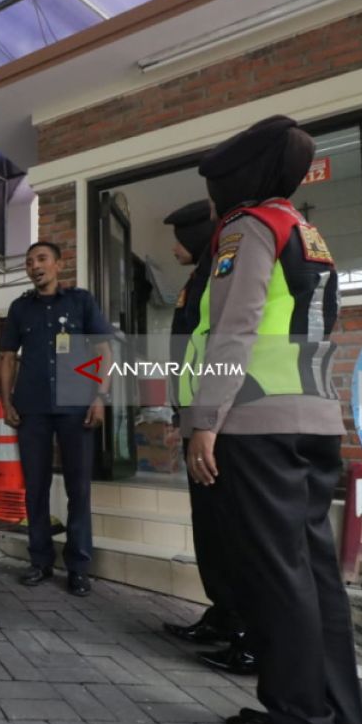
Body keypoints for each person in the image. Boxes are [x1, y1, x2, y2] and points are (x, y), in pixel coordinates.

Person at [181, 115, 362, 724]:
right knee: (316, 579)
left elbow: (236, 327)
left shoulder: (248, 226)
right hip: (315, 419)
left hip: (258, 425)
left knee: (276, 581)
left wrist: (205, 419)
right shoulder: (308, 233)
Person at [160, 200, 256, 676]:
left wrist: (205, 421)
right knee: (209, 527)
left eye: (180, 236)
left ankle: (249, 635)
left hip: (219, 423)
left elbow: (225, 348)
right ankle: (222, 616)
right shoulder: (198, 279)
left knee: (229, 530)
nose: (174, 246)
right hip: (196, 415)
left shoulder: (217, 278)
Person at [0, 242, 112, 597]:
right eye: (29, 262)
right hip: (32, 406)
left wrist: (100, 396)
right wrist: (5, 399)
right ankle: (40, 560)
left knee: (79, 487)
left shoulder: (80, 302)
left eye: (42, 259)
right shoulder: (19, 308)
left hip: (76, 405)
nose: (35, 266)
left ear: (58, 265)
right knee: (35, 487)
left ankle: (78, 567)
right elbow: (6, 357)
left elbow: (103, 350)